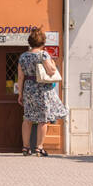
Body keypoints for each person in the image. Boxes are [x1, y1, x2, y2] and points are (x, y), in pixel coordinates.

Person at [17, 27, 68, 156]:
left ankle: (25, 147)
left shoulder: (23, 56)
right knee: (43, 119)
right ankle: (39, 147)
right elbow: (51, 71)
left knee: (27, 118)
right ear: (43, 42)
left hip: (28, 88)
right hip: (42, 88)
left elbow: (20, 76)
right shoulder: (43, 54)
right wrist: (51, 61)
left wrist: (20, 94)